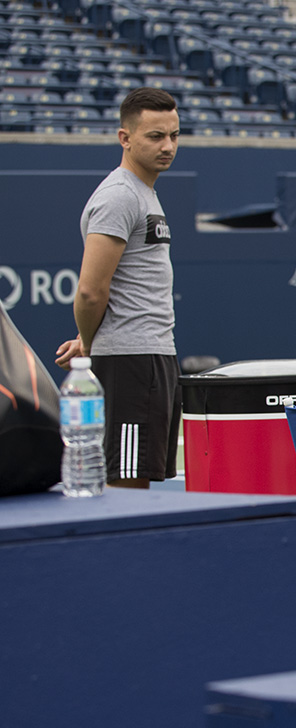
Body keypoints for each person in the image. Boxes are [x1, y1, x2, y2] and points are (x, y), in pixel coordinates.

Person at [54, 87, 182, 489]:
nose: (168, 146)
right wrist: (91, 344)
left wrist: (88, 338)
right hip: (131, 362)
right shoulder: (120, 196)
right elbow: (91, 291)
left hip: (151, 356)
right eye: (155, 136)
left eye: (174, 135)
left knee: (138, 483)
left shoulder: (144, 193)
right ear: (124, 138)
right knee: (125, 489)